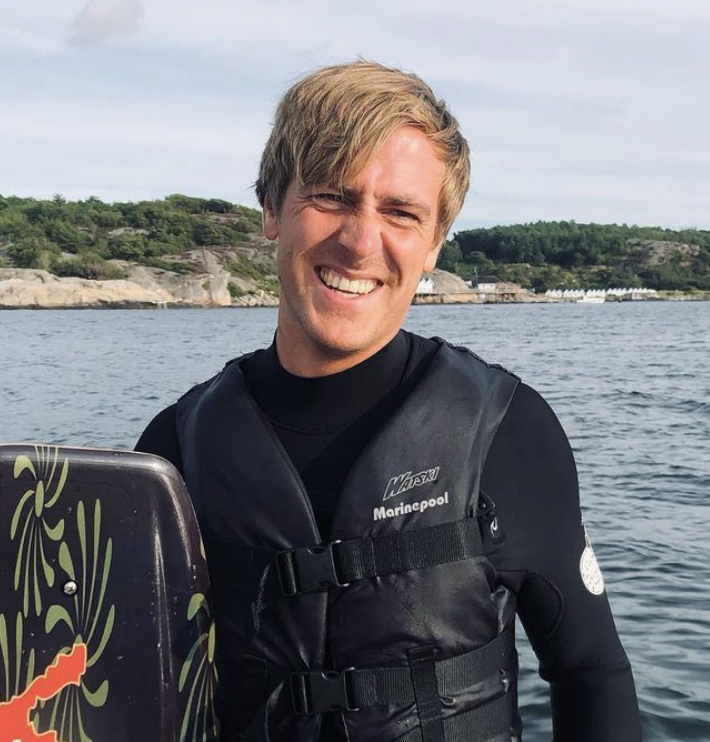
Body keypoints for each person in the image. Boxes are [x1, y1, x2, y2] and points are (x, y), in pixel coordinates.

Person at [136, 61, 642, 742]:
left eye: (401, 212)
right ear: (271, 210)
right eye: (331, 197)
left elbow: (591, 673)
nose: (360, 241)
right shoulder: (174, 451)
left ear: (433, 244)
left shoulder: (506, 431)